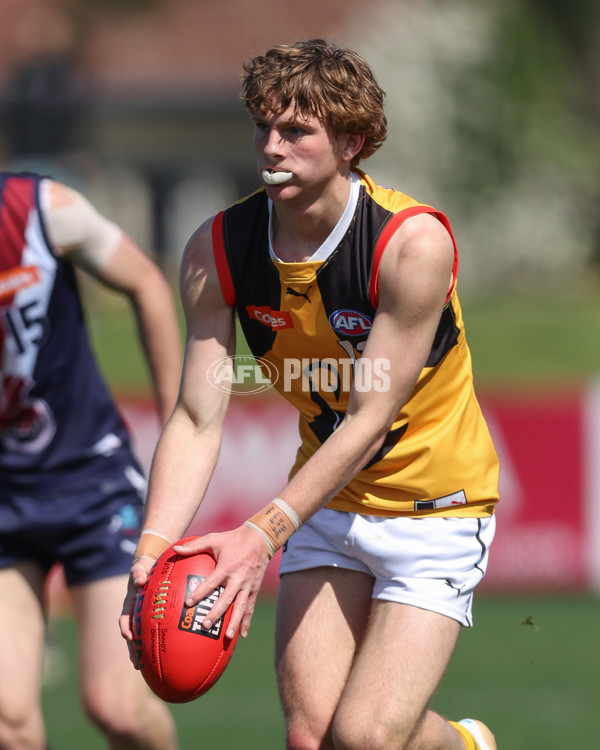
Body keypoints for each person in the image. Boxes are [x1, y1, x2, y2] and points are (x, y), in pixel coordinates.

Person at [120, 39, 500, 750]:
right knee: (310, 736)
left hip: (436, 510)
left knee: (364, 737)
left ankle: (469, 746)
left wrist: (261, 534)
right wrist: (152, 552)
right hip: (327, 504)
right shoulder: (218, 248)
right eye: (263, 127)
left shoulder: (409, 245)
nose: (271, 147)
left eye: (296, 132)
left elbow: (369, 420)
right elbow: (200, 414)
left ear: (352, 142)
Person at [0, 171, 182, 750]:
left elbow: (148, 285)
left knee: (119, 708)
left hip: (91, 482)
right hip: (4, 501)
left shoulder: (40, 210)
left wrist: (184, 425)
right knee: (8, 724)